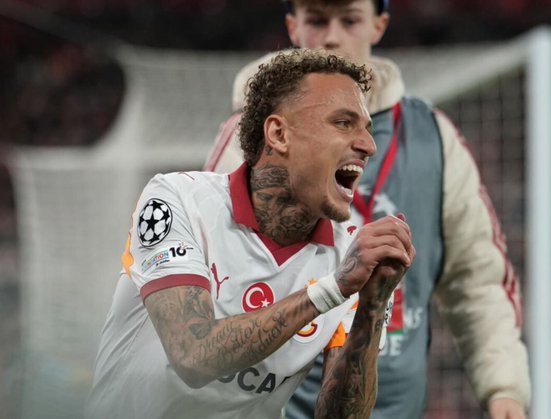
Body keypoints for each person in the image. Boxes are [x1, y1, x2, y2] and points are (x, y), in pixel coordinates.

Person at [204, 1, 530, 418]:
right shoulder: (253, 137)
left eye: (350, 20)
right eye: (317, 20)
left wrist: (504, 388)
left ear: (379, 25)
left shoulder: (433, 138)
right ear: (293, 27)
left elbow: (478, 280)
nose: (332, 37)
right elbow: (216, 272)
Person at [85, 48, 416, 419]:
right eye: (343, 123)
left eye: (367, 129)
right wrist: (333, 290)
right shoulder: (177, 200)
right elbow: (193, 356)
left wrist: (371, 308)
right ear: (279, 134)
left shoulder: (350, 254)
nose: (368, 145)